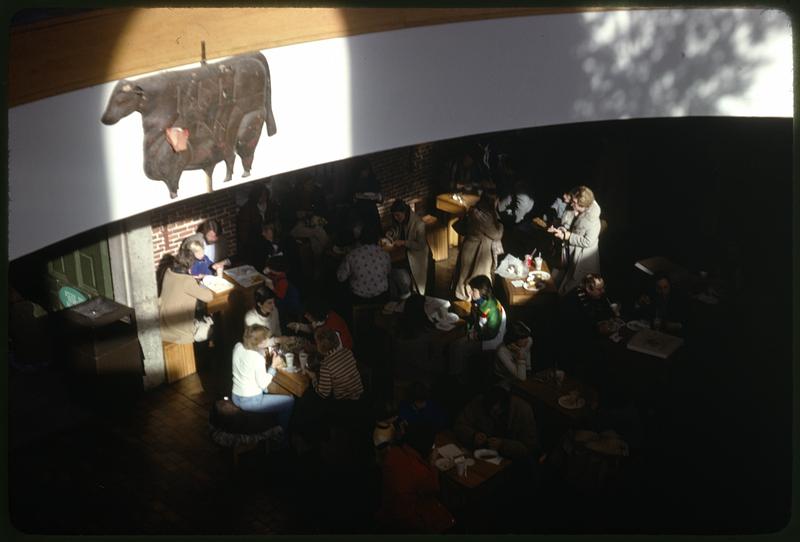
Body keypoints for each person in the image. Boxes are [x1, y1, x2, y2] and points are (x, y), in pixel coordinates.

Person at [376, 420, 455, 533]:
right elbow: (434, 488)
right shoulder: (419, 470)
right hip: (407, 520)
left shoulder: (393, 453)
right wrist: (432, 464)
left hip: (388, 508)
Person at [231, 325, 295, 433]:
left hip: (235, 396)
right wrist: (273, 366)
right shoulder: (257, 358)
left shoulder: (237, 346)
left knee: (269, 392)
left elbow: (249, 362)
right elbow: (263, 384)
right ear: (260, 343)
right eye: (265, 340)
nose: (267, 341)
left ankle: (270, 421)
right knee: (290, 401)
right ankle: (279, 435)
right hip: (250, 401)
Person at [454, 385, 541, 461]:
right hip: (482, 454)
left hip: (511, 460)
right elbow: (459, 424)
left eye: (496, 412)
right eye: (489, 412)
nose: (493, 416)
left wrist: (502, 445)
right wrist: (474, 435)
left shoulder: (523, 411)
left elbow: (529, 448)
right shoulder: (480, 402)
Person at [548, 185, 602, 294]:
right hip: (568, 253)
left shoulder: (593, 221)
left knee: (574, 289)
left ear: (584, 206)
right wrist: (561, 230)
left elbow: (588, 241)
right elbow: (567, 225)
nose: (571, 204)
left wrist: (568, 236)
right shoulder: (572, 209)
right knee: (555, 281)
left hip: (582, 259)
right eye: (572, 200)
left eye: (575, 202)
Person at [451, 194, 504, 301]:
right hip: (478, 251)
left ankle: (466, 299)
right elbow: (496, 234)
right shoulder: (484, 215)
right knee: (476, 278)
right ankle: (471, 304)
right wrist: (501, 225)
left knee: (466, 275)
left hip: (471, 247)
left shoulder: (475, 211)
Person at [159, 245, 214, 344]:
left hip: (163, 324)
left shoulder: (168, 272)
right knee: (211, 324)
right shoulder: (187, 281)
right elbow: (209, 297)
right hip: (178, 332)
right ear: (190, 267)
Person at [386, 198, 431, 297]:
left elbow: (420, 245)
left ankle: (407, 294)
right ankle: (398, 294)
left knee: (395, 268)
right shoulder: (401, 219)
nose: (396, 218)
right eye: (394, 216)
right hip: (404, 252)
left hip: (417, 255)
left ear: (405, 212)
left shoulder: (418, 224)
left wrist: (403, 242)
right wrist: (391, 233)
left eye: (398, 215)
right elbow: (397, 230)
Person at [336, 224, 391, 305]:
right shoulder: (385, 254)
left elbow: (340, 277)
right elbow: (388, 272)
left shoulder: (352, 255)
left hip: (360, 298)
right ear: (377, 239)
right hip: (382, 296)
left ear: (360, 239)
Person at [286, 296, 353, 350]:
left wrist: (312, 348)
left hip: (342, 354)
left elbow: (331, 349)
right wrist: (298, 326)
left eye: (308, 315)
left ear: (315, 314)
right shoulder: (323, 318)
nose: (305, 316)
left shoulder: (331, 327)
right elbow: (314, 328)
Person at [237, 183, 278, 268]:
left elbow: (274, 219)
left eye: (265, 195)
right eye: (261, 195)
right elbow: (244, 231)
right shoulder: (247, 209)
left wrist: (271, 228)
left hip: (269, 234)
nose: (264, 197)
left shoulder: (269, 205)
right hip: (254, 238)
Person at [262, 256, 303, 327]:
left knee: (268, 302)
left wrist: (272, 288)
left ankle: (278, 322)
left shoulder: (282, 281)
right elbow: (272, 277)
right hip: (281, 296)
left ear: (276, 270)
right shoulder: (277, 274)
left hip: (286, 301)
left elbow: (281, 296)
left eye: (270, 268)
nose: (268, 268)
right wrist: (267, 274)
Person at [351, 159, 383, 238]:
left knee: (374, 235)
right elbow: (352, 200)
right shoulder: (355, 182)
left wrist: (376, 197)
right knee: (364, 237)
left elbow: (381, 198)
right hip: (361, 214)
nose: (365, 172)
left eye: (366, 170)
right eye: (363, 171)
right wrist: (355, 198)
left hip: (372, 213)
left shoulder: (372, 180)